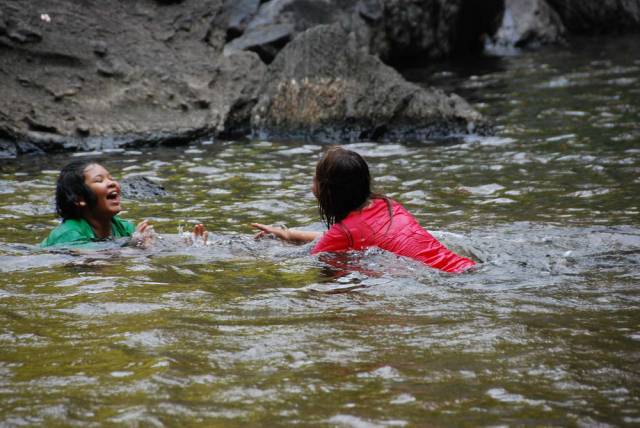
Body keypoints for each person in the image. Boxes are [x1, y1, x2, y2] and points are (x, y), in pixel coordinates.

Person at [252, 146, 476, 273]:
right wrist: (289, 234)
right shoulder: (388, 205)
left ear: (329, 192)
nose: (311, 184)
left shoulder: (344, 232)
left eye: (315, 179)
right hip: (467, 269)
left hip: (450, 281)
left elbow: (308, 256)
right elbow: (340, 238)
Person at [40, 159, 154, 248]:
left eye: (111, 178)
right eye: (99, 180)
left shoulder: (125, 228)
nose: (112, 183)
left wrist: (145, 244)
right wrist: (133, 247)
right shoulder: (68, 233)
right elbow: (95, 264)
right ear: (80, 200)